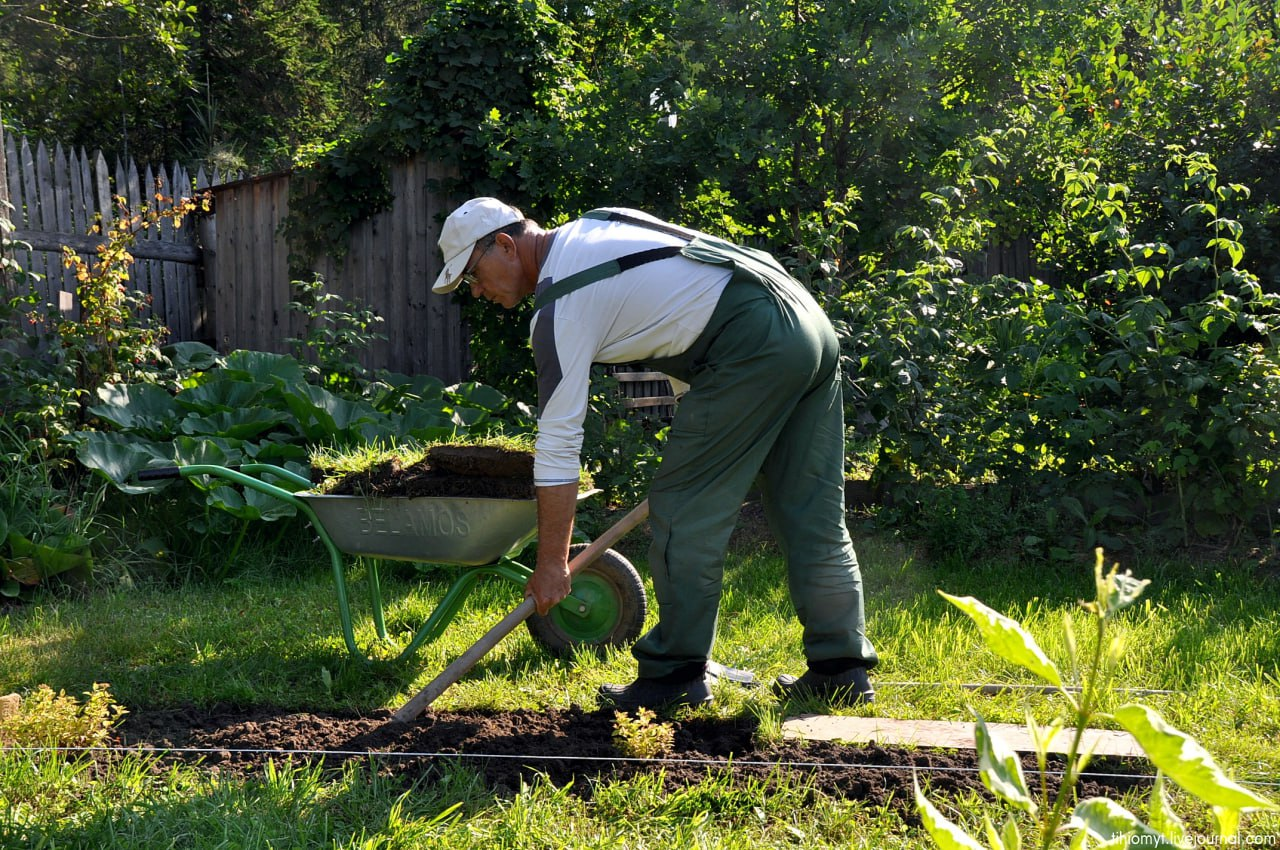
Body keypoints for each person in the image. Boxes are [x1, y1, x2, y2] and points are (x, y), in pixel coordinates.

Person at [433, 197, 878, 711]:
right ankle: (840, 669)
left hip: (751, 341)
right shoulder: (596, 226)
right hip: (804, 320)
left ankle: (674, 677)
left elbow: (558, 443)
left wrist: (552, 561)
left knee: (683, 511)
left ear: (506, 245)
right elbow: (680, 303)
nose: (479, 292)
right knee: (811, 511)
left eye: (473, 276)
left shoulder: (560, 304)